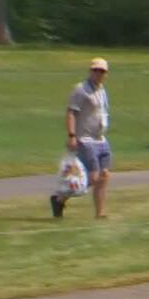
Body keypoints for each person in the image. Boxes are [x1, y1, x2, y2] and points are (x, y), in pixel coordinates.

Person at [60, 57, 111, 219]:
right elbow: (71, 113)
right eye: (95, 70)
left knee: (104, 175)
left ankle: (100, 212)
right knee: (93, 177)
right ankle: (60, 198)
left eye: (102, 71)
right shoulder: (81, 90)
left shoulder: (101, 90)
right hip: (85, 139)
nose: (98, 73)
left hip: (100, 138)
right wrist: (72, 135)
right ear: (90, 71)